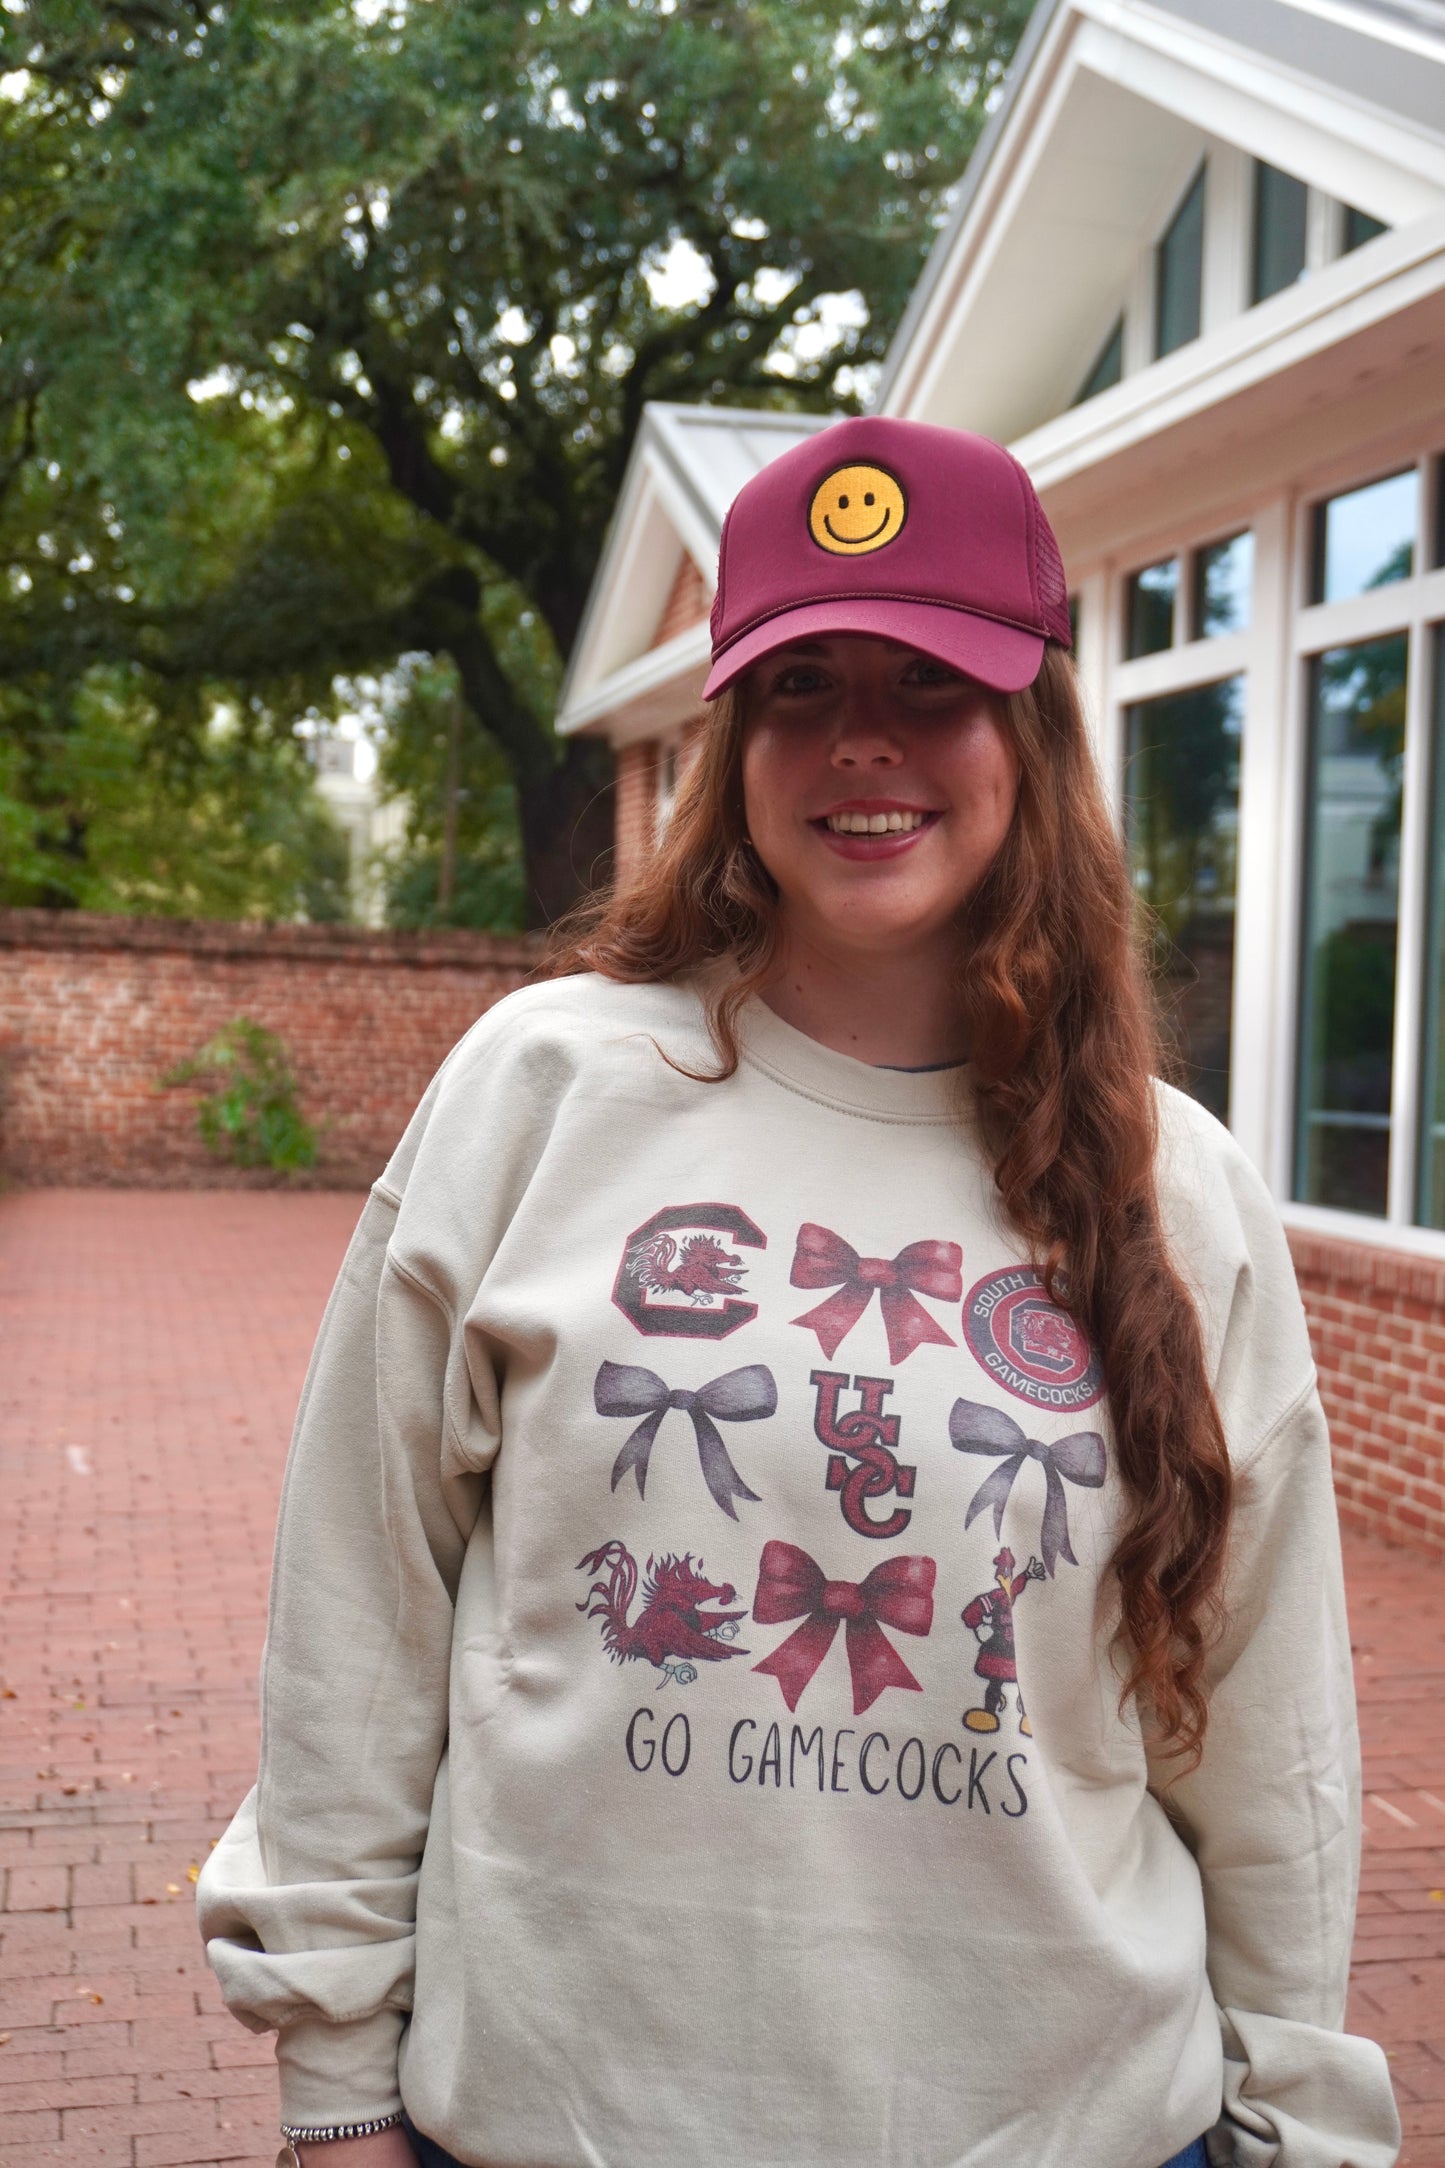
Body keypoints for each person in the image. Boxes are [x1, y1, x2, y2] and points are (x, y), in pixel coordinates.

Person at [198, 416, 1400, 2168]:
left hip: (1059, 2129)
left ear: (1032, 724)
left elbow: (1269, 1717)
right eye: (799, 685)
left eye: (929, 681)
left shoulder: (1179, 1186)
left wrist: (1298, 2115)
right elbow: (360, 1612)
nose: (862, 743)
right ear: (728, 736)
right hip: (555, 2123)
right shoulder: (539, 1091)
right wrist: (333, 2085)